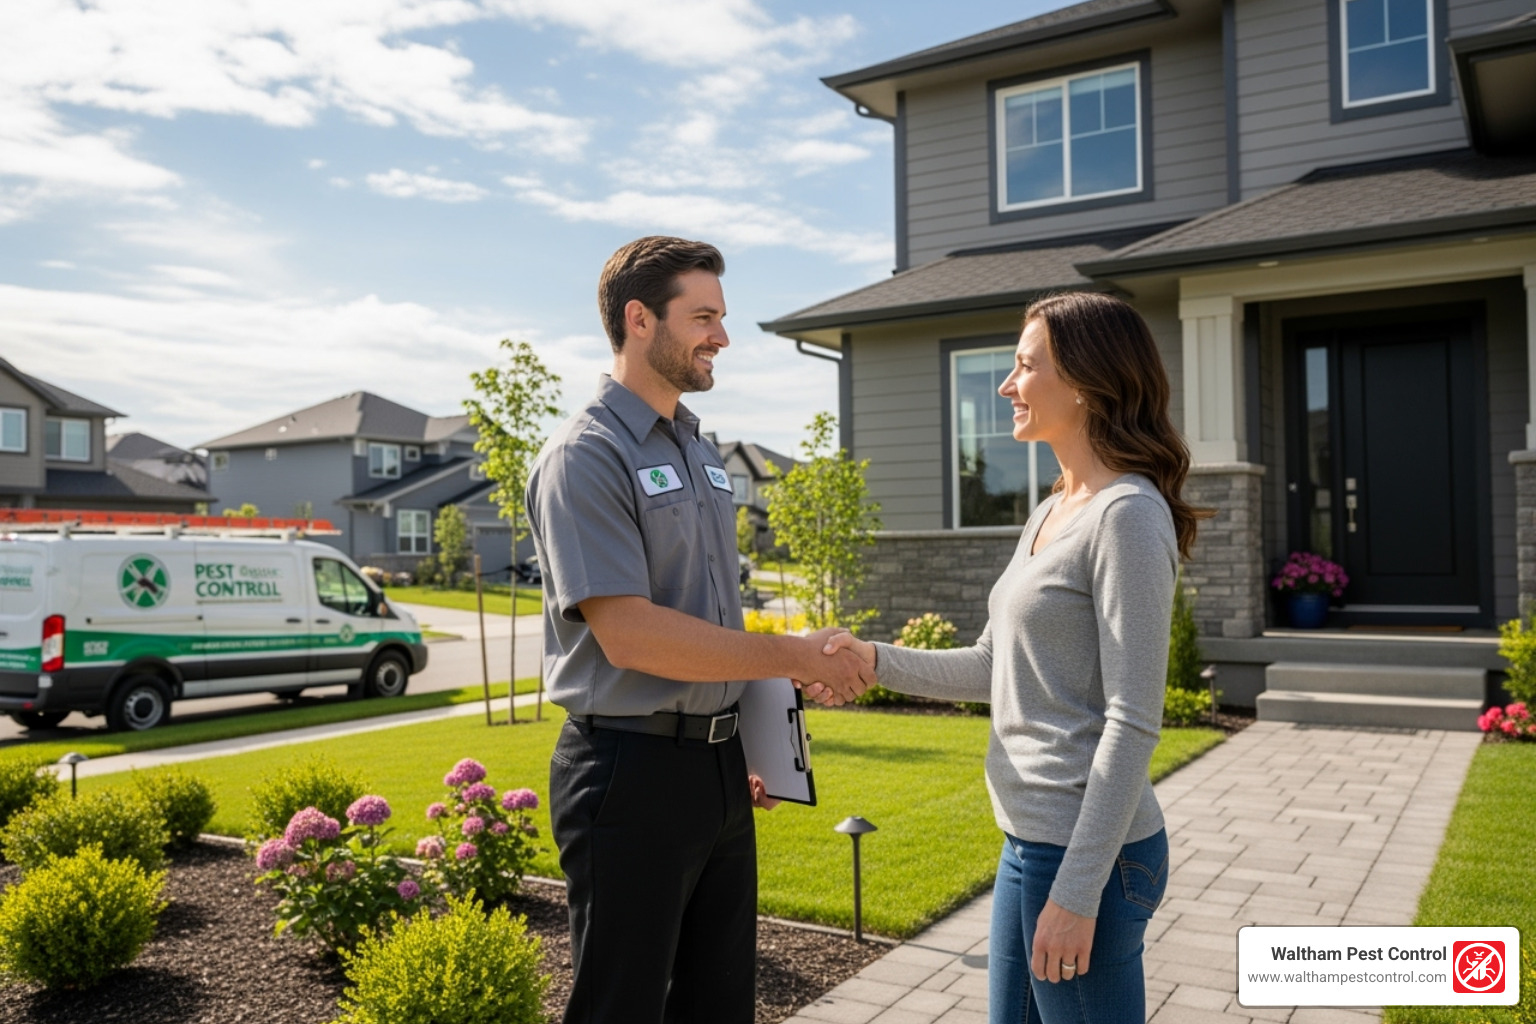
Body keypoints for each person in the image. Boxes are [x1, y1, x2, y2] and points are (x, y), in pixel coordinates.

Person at [823, 291, 1209, 1024]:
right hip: (1028, 841)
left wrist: (1077, 890)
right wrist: (871, 658)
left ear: (1088, 384)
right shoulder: (1051, 508)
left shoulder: (1125, 515)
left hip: (1085, 852)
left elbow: (1133, 721)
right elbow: (989, 666)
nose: (1006, 386)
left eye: (1025, 367)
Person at [526, 235, 873, 1024]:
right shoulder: (587, 455)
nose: (722, 336)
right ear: (640, 319)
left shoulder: (700, 449)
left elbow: (712, 612)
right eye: (705, 316)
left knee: (720, 1005)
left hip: (716, 773)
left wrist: (752, 736)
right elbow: (634, 637)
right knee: (624, 1008)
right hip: (628, 772)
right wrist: (792, 653)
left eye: (723, 317)